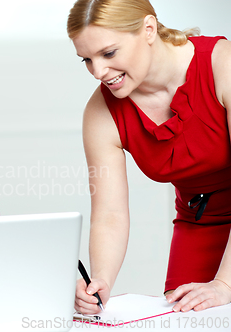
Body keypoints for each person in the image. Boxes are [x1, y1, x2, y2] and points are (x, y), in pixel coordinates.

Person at [67, 0, 231, 314]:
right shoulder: (101, 113)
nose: (98, 72)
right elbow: (110, 215)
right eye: (86, 59)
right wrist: (100, 280)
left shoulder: (223, 65)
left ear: (149, 29)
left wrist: (224, 284)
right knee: (184, 316)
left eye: (109, 53)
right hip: (200, 222)